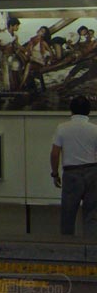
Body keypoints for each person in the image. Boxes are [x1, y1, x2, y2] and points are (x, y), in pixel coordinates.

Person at [49, 95, 97, 238]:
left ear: (71, 111)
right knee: (92, 214)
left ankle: (67, 251)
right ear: (89, 111)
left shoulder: (62, 128)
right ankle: (92, 250)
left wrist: (55, 174)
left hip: (71, 174)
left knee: (68, 215)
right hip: (93, 172)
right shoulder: (95, 129)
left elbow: (55, 154)